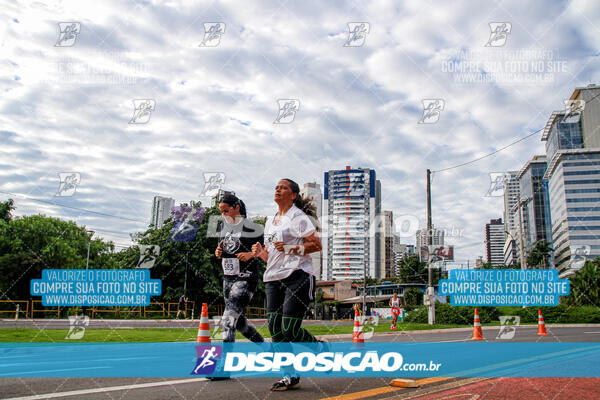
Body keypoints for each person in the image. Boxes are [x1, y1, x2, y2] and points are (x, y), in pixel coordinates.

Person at [252, 178, 323, 391]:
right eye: (276, 187)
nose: (278, 189)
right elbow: (273, 256)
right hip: (273, 278)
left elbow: (316, 245)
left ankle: (319, 347)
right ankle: (289, 376)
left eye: (283, 187)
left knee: (289, 328)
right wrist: (260, 253)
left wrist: (291, 248)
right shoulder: (270, 221)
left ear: (293, 195)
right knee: (276, 330)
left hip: (298, 275)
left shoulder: (298, 217)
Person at [215, 193, 265, 344]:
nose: (223, 215)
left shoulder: (253, 227)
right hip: (228, 278)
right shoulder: (222, 227)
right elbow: (222, 248)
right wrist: (218, 252)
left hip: (245, 277)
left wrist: (250, 254)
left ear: (236, 208)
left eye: (226, 211)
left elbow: (264, 251)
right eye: (221, 212)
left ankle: (225, 362)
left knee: (228, 319)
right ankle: (266, 347)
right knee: (240, 323)